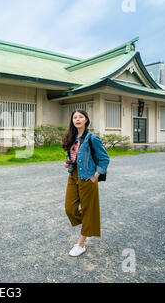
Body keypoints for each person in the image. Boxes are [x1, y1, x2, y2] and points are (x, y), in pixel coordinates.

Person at [62, 109, 110, 257]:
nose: (77, 119)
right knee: (69, 209)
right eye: (75, 117)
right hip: (74, 176)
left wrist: (96, 175)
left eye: (80, 117)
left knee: (88, 210)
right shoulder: (72, 137)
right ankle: (90, 219)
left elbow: (104, 159)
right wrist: (68, 162)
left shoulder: (92, 138)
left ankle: (81, 244)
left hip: (88, 177)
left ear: (86, 120)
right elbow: (75, 157)